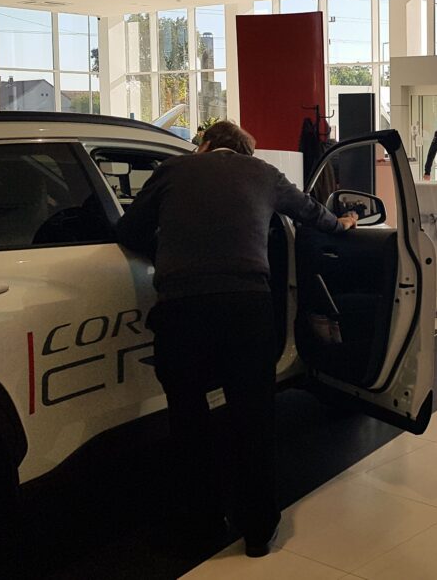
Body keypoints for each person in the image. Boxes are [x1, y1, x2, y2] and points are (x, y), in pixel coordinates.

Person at [116, 121, 358, 558]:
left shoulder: (173, 169)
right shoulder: (263, 173)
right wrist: (344, 223)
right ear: (245, 152)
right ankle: (258, 531)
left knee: (188, 420)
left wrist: (172, 250)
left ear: (206, 144)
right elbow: (311, 213)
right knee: (252, 418)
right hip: (246, 307)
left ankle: (202, 524)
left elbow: (129, 230)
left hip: (181, 308)